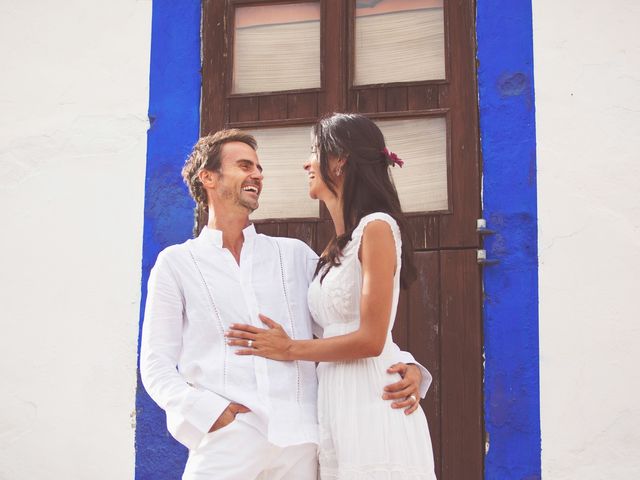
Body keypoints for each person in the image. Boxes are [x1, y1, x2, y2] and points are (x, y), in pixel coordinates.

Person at [140, 128, 431, 480]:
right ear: (208, 178)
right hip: (227, 440)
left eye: (259, 168)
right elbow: (156, 365)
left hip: (299, 444)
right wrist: (208, 413)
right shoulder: (177, 263)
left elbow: (344, 318)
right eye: (244, 165)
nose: (257, 174)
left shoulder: (293, 256)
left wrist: (406, 365)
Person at [226, 114, 437, 479]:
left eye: (314, 151)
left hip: (372, 398)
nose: (307, 163)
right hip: (335, 401)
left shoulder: (378, 228)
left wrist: (289, 348)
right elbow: (342, 328)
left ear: (339, 161)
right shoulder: (331, 252)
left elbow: (372, 338)